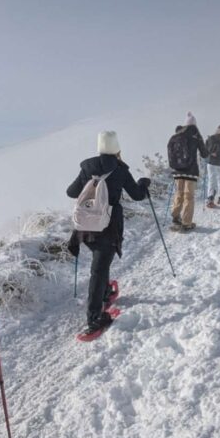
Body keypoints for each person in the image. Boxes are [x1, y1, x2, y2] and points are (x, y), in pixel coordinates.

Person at [66, 131, 151, 336]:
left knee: (100, 265)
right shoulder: (120, 169)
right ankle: (94, 318)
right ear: (116, 148)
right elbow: (137, 195)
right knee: (99, 270)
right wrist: (144, 183)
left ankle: (104, 293)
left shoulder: (87, 167)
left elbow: (71, 192)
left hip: (86, 227)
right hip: (108, 226)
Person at [167, 113, 209, 232]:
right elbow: (204, 153)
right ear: (194, 124)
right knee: (188, 196)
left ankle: (175, 217)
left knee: (179, 193)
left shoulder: (176, 136)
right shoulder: (195, 134)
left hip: (177, 171)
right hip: (191, 171)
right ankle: (186, 223)